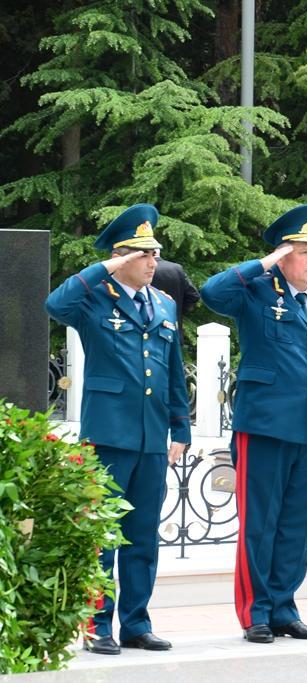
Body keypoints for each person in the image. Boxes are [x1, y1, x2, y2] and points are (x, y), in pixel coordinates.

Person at [45, 204, 190, 655]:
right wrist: (107, 265)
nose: (153, 262)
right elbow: (55, 304)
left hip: (150, 437)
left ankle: (136, 623)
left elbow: (171, 370)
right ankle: (97, 624)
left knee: (143, 535)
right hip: (109, 433)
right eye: (143, 254)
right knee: (104, 535)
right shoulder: (93, 299)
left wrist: (179, 429)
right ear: (121, 257)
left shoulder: (164, 303)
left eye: (155, 253)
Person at [200, 204, 307, 643]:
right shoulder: (258, 290)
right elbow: (211, 292)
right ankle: (256, 612)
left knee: (297, 524)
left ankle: (284, 607)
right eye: (303, 251)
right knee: (260, 521)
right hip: (264, 424)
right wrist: (264, 263)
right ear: (283, 256)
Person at [151, 250, 200, 333]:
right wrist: (177, 311)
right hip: (174, 328)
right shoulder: (176, 268)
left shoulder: (140, 271)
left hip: (151, 330)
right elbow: (193, 295)